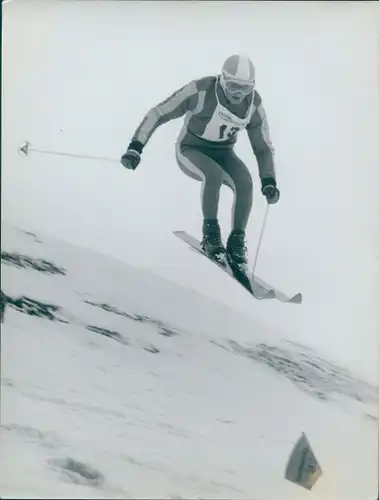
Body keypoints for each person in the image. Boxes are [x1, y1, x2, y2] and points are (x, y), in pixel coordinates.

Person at [121, 54, 280, 273]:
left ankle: (236, 244)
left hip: (224, 152)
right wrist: (136, 147)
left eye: (245, 88)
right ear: (223, 80)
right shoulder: (201, 90)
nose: (238, 94)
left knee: (245, 182)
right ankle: (211, 236)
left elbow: (262, 146)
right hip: (191, 149)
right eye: (233, 86)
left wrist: (269, 180)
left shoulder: (253, 105)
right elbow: (159, 112)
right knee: (212, 174)